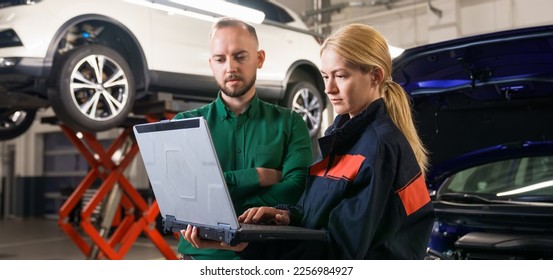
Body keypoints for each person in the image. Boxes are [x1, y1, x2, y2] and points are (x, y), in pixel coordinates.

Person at [182, 23, 435, 259]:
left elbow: (337, 251)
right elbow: (318, 213)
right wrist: (285, 215)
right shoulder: (342, 139)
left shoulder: (379, 148)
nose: (328, 89)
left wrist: (246, 244)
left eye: (341, 76)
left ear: (375, 76)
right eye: (325, 76)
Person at [172, 18, 313, 260]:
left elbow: (296, 189)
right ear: (211, 63)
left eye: (240, 56)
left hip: (268, 260)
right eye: (220, 59)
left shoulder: (291, 123)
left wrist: (215, 202)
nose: (230, 67)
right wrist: (257, 176)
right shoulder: (184, 125)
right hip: (200, 260)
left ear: (259, 58)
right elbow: (183, 195)